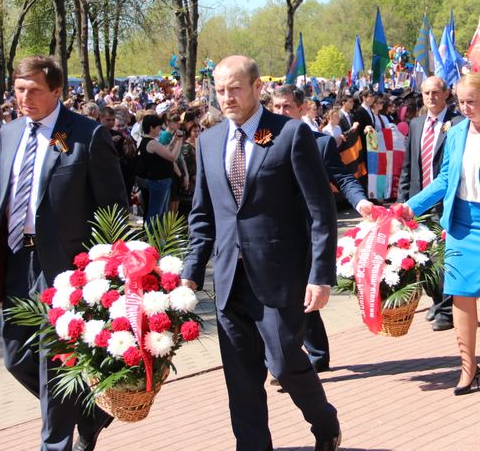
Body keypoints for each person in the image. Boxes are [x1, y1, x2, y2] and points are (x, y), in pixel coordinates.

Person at [181, 56, 341, 451]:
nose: (227, 97)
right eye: (220, 90)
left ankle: (325, 422)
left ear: (257, 88)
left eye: (235, 89)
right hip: (229, 279)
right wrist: (190, 273)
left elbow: (320, 212)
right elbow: (203, 214)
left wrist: (320, 275)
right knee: (241, 380)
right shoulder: (210, 142)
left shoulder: (290, 134)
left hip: (279, 277)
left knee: (283, 362)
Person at [0, 55, 127, 451]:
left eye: (34, 90)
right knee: (16, 358)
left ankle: (56, 445)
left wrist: (103, 272)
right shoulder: (10, 132)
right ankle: (91, 411)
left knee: (55, 362)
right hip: (17, 261)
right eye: (19, 89)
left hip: (65, 268)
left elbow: (112, 208)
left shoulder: (86, 136)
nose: (24, 98)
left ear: (57, 91)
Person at [399, 73, 480, 395]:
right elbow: (445, 179)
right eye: (461, 102)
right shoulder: (456, 133)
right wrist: (410, 207)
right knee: (460, 293)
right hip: (461, 224)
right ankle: (468, 368)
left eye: (471, 101)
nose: (465, 107)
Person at [270, 84, 372, 374]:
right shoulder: (260, 142)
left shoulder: (320, 144)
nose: (281, 112)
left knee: (302, 294)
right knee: (285, 297)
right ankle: (302, 356)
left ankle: (306, 358)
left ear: (302, 109)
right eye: (276, 107)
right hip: (269, 233)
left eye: (287, 107)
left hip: (305, 232)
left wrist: (360, 201)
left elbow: (343, 178)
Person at [396, 75, 463, 331]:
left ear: (446, 94)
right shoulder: (416, 124)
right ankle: (436, 300)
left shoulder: (458, 123)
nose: (431, 97)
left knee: (444, 257)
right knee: (423, 256)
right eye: (426, 93)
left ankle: (447, 309)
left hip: (446, 202)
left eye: (435, 92)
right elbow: (408, 165)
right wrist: (403, 200)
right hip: (418, 202)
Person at [137, 113, 183, 223]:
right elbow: (172, 157)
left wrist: (174, 141)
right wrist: (180, 141)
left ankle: (158, 233)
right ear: (151, 128)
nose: (160, 130)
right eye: (158, 127)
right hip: (158, 181)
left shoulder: (150, 141)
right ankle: (151, 233)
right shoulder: (151, 143)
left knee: (161, 212)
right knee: (156, 213)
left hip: (161, 181)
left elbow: (165, 150)